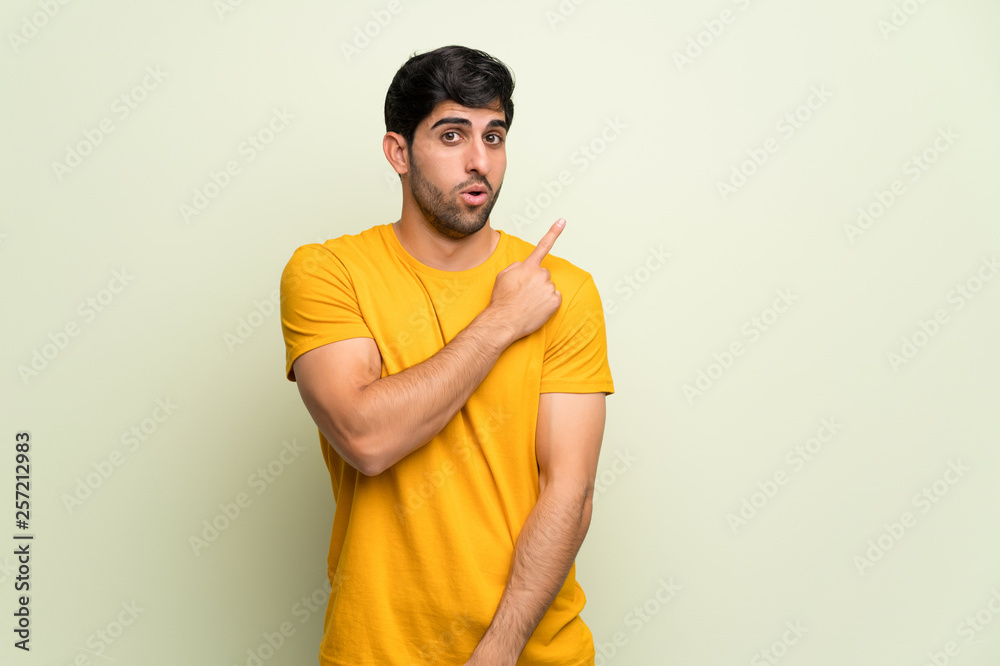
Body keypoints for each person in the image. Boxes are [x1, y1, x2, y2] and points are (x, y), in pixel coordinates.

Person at [279, 44, 614, 666]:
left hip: (533, 652)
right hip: (378, 650)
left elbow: (570, 488)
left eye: (494, 136)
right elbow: (367, 437)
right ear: (398, 152)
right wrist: (502, 322)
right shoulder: (329, 273)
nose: (479, 161)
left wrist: (501, 648)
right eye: (452, 134)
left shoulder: (562, 289)